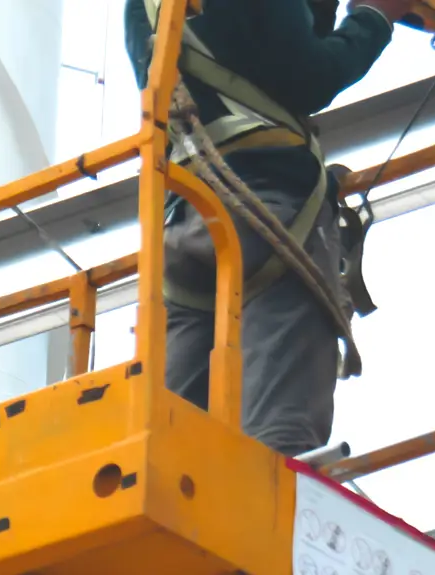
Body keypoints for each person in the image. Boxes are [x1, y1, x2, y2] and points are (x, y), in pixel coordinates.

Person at [121, 0, 413, 456]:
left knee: (176, 440)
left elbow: (250, 55)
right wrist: (374, 17)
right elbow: (307, 75)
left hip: (187, 220)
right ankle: (268, 513)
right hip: (267, 211)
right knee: (279, 433)